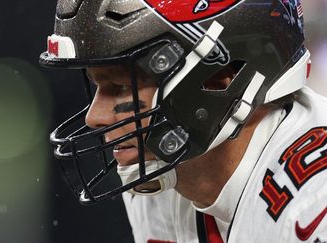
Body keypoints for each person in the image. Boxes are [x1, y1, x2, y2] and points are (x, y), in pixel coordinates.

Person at [40, 0, 327, 242]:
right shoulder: (161, 173)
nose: (94, 117)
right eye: (97, 85)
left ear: (221, 78)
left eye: (122, 87)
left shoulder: (313, 206)